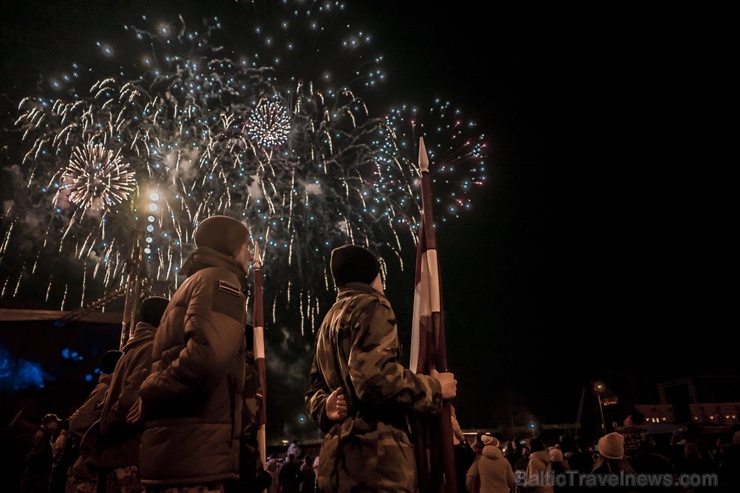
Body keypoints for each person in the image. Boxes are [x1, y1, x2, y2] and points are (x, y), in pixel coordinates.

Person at [304, 243, 457, 493]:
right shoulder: (373, 305)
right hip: (376, 463)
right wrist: (435, 388)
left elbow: (313, 392)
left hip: (336, 465)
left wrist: (325, 407)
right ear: (372, 274)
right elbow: (374, 379)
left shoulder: (328, 320)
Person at [126, 215, 253, 492]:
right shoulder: (222, 281)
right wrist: (151, 389)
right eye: (247, 247)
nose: (251, 257)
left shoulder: (192, 283)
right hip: (195, 459)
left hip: (175, 454)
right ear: (233, 250)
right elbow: (206, 358)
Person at [97, 296, 169, 493]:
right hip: (129, 455)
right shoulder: (152, 348)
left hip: (115, 455)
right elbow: (129, 401)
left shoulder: (131, 348)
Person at [65, 349, 123, 493]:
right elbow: (78, 423)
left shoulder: (108, 389)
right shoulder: (105, 390)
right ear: (119, 367)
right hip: (89, 472)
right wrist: (94, 444)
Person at [19, 412, 63, 493]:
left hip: (36, 471)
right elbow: (36, 453)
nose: (57, 424)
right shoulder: (44, 435)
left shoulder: (46, 434)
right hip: (37, 472)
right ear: (50, 423)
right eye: (55, 422)